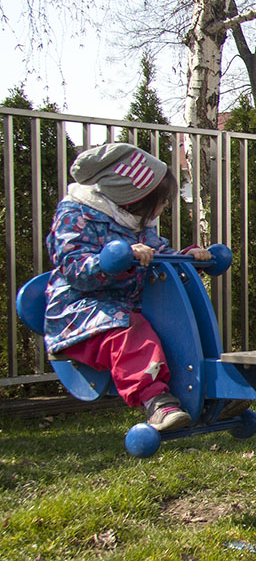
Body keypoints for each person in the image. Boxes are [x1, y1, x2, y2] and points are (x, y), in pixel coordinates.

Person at [42, 143, 213, 433]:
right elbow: (74, 268)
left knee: (178, 321)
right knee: (130, 330)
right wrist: (114, 259)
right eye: (160, 201)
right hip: (79, 314)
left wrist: (187, 259)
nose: (164, 207)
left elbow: (160, 255)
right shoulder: (76, 216)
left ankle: (207, 391)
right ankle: (155, 401)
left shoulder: (133, 222)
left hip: (125, 307)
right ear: (134, 197)